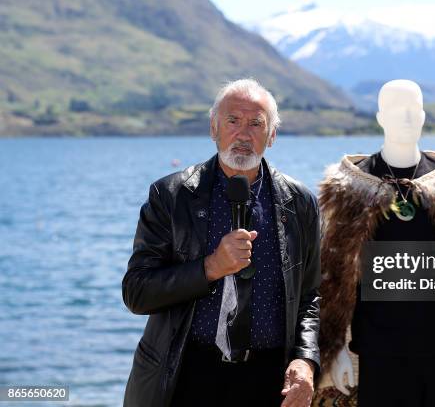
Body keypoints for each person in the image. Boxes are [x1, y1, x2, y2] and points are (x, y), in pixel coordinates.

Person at [314, 80, 435, 406]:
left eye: (413, 110)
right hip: (378, 354)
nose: (406, 118)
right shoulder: (350, 186)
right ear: (380, 117)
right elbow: (334, 278)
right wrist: (333, 349)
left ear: (423, 115)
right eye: (396, 110)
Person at [122, 78, 321, 407]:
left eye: (256, 123)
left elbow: (312, 296)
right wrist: (211, 267)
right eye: (233, 121)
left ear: (271, 136)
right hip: (186, 375)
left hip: (268, 379)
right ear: (214, 128)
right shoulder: (171, 196)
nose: (244, 134)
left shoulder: (299, 203)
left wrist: (305, 360)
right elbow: (137, 292)